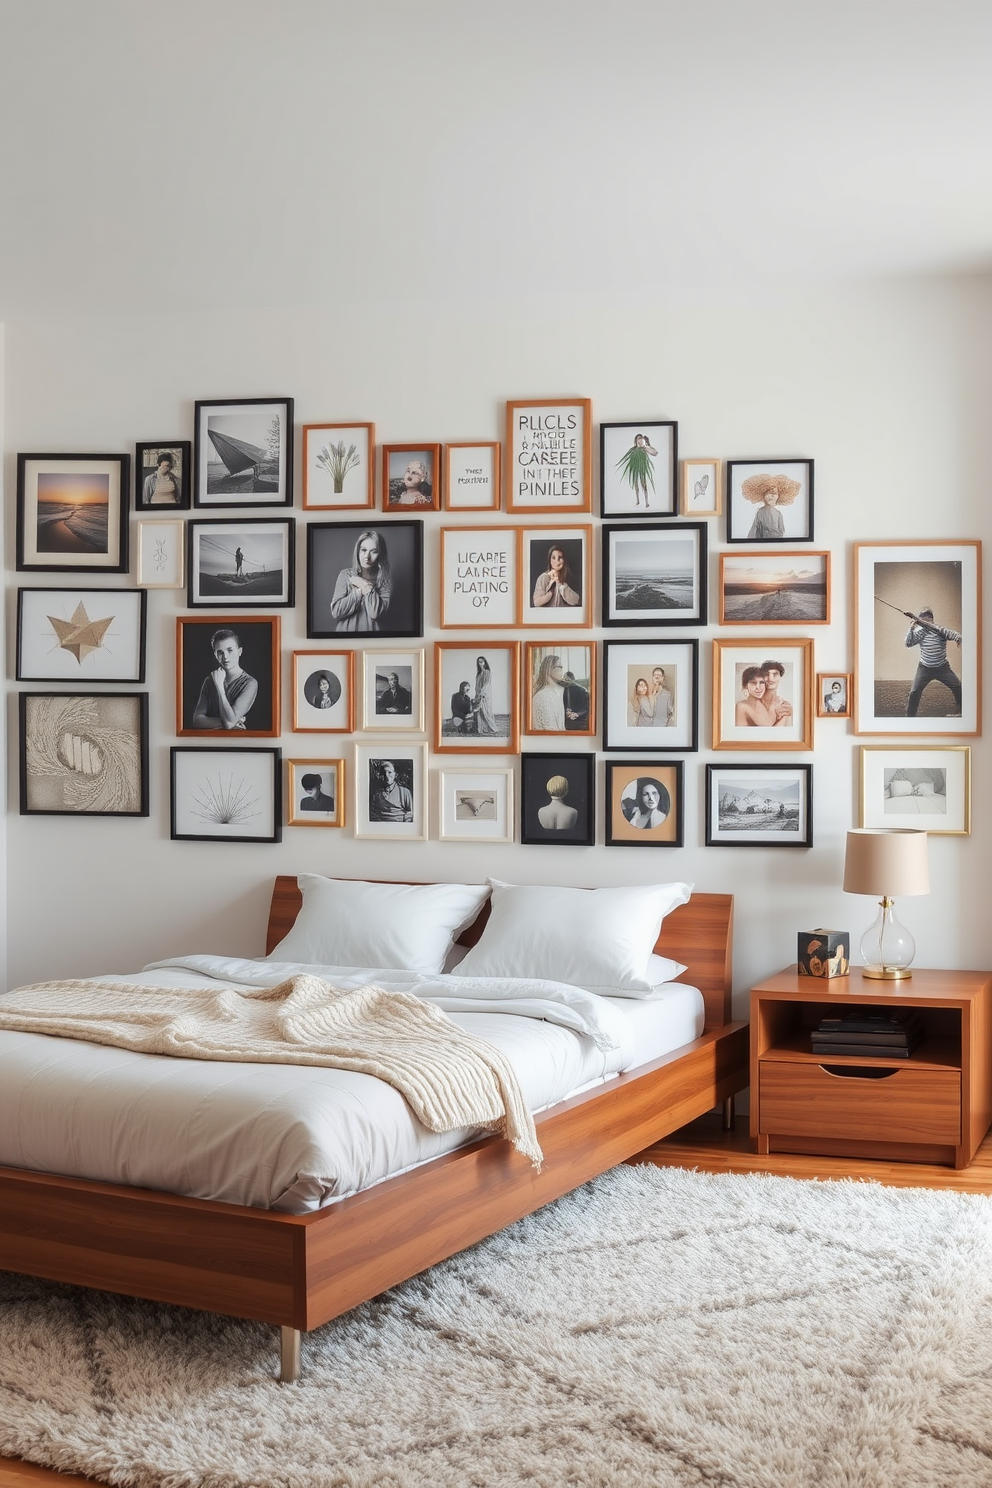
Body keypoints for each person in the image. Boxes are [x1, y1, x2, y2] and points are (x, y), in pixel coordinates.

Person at [192, 628, 258, 730]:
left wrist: (220, 687)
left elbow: (229, 722)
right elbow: (197, 721)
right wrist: (235, 721)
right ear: (215, 654)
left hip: (239, 743)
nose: (225, 657)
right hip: (210, 742)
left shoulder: (249, 683)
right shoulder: (209, 681)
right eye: (220, 652)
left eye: (230, 650)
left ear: (239, 651)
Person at [330, 529, 392, 633]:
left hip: (372, 639)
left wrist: (365, 586)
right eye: (363, 550)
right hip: (343, 638)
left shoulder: (384, 579)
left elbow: (374, 613)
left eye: (374, 551)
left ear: (380, 554)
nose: (367, 557)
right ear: (358, 551)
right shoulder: (345, 575)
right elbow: (336, 612)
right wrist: (358, 593)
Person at [904, 607, 962, 716]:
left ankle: (963, 712)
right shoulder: (920, 632)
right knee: (914, 692)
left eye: (924, 621)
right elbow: (908, 643)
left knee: (957, 686)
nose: (922, 624)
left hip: (942, 668)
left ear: (931, 619)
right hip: (924, 668)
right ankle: (909, 718)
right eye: (921, 621)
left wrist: (958, 638)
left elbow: (955, 635)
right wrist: (911, 629)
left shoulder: (940, 631)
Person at [741, 472, 802, 540]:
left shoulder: (778, 513)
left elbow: (781, 531)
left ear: (780, 495)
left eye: (774, 493)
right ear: (763, 495)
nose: (772, 496)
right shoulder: (763, 511)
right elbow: (754, 530)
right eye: (768, 493)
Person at [615, 432, 658, 508]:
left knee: (643, 483)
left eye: (640, 441)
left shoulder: (645, 448)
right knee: (636, 483)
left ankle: (646, 502)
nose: (639, 443)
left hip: (643, 467)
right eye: (637, 441)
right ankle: (638, 500)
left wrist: (645, 446)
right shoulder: (634, 450)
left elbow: (655, 453)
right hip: (635, 466)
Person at [531, 654, 566, 731]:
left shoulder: (554, 693)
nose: (562, 670)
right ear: (549, 669)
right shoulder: (543, 696)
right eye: (559, 667)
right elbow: (550, 728)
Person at [760, 660, 793, 724]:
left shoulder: (784, 706)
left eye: (775, 674)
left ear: (780, 677)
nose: (770, 679)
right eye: (767, 674)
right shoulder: (753, 702)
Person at [473, 655, 497, 735]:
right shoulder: (478, 674)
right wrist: (477, 695)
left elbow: (486, 684)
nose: (480, 663)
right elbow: (476, 686)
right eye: (479, 662)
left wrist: (482, 693)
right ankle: (481, 729)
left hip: (485, 695)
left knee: (486, 711)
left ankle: (492, 728)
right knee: (479, 712)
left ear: (484, 662)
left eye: (482, 661)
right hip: (478, 694)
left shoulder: (487, 672)